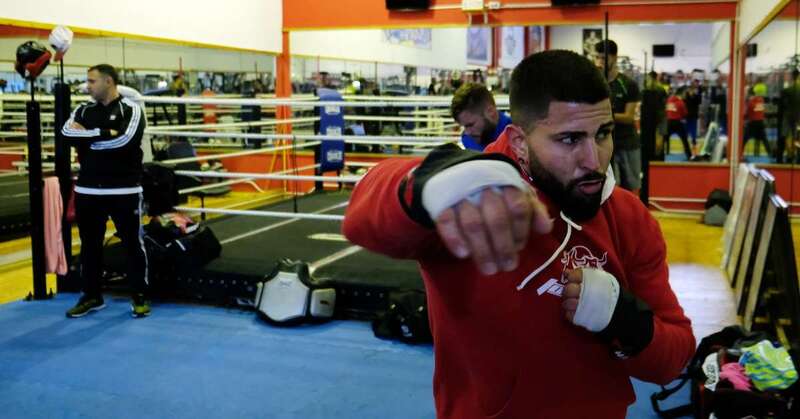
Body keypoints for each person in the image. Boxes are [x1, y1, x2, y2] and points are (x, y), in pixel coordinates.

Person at [343, 50, 695, 419]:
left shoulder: (628, 217)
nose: (595, 160)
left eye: (603, 134)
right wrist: (423, 184)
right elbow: (362, 216)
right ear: (520, 142)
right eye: (570, 139)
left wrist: (626, 323)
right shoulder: (477, 206)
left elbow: (674, 358)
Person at [62, 64, 150, 318]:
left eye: (92, 81)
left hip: (123, 190)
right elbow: (66, 133)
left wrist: (88, 141)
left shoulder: (131, 109)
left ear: (108, 82)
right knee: (90, 246)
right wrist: (103, 133)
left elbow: (126, 141)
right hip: (88, 189)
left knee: (132, 244)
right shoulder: (83, 109)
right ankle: (91, 295)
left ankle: (139, 295)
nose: (87, 86)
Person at [593, 40, 642, 194]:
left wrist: (604, 116)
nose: (600, 61)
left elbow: (628, 117)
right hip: (603, 143)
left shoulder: (627, 84)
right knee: (611, 188)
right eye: (597, 57)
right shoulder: (595, 84)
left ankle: (635, 217)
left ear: (614, 58)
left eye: (604, 57)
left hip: (627, 142)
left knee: (632, 185)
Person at [450, 83, 512, 151]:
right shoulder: (468, 139)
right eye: (464, 126)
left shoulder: (518, 134)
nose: (467, 132)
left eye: (470, 125)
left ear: (491, 112)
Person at [666, 88, 692, 160]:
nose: (685, 95)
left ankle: (665, 153)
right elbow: (685, 113)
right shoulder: (681, 102)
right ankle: (689, 156)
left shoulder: (669, 100)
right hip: (677, 122)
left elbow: (667, 110)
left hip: (669, 122)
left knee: (665, 138)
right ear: (681, 93)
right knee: (684, 140)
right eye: (684, 93)